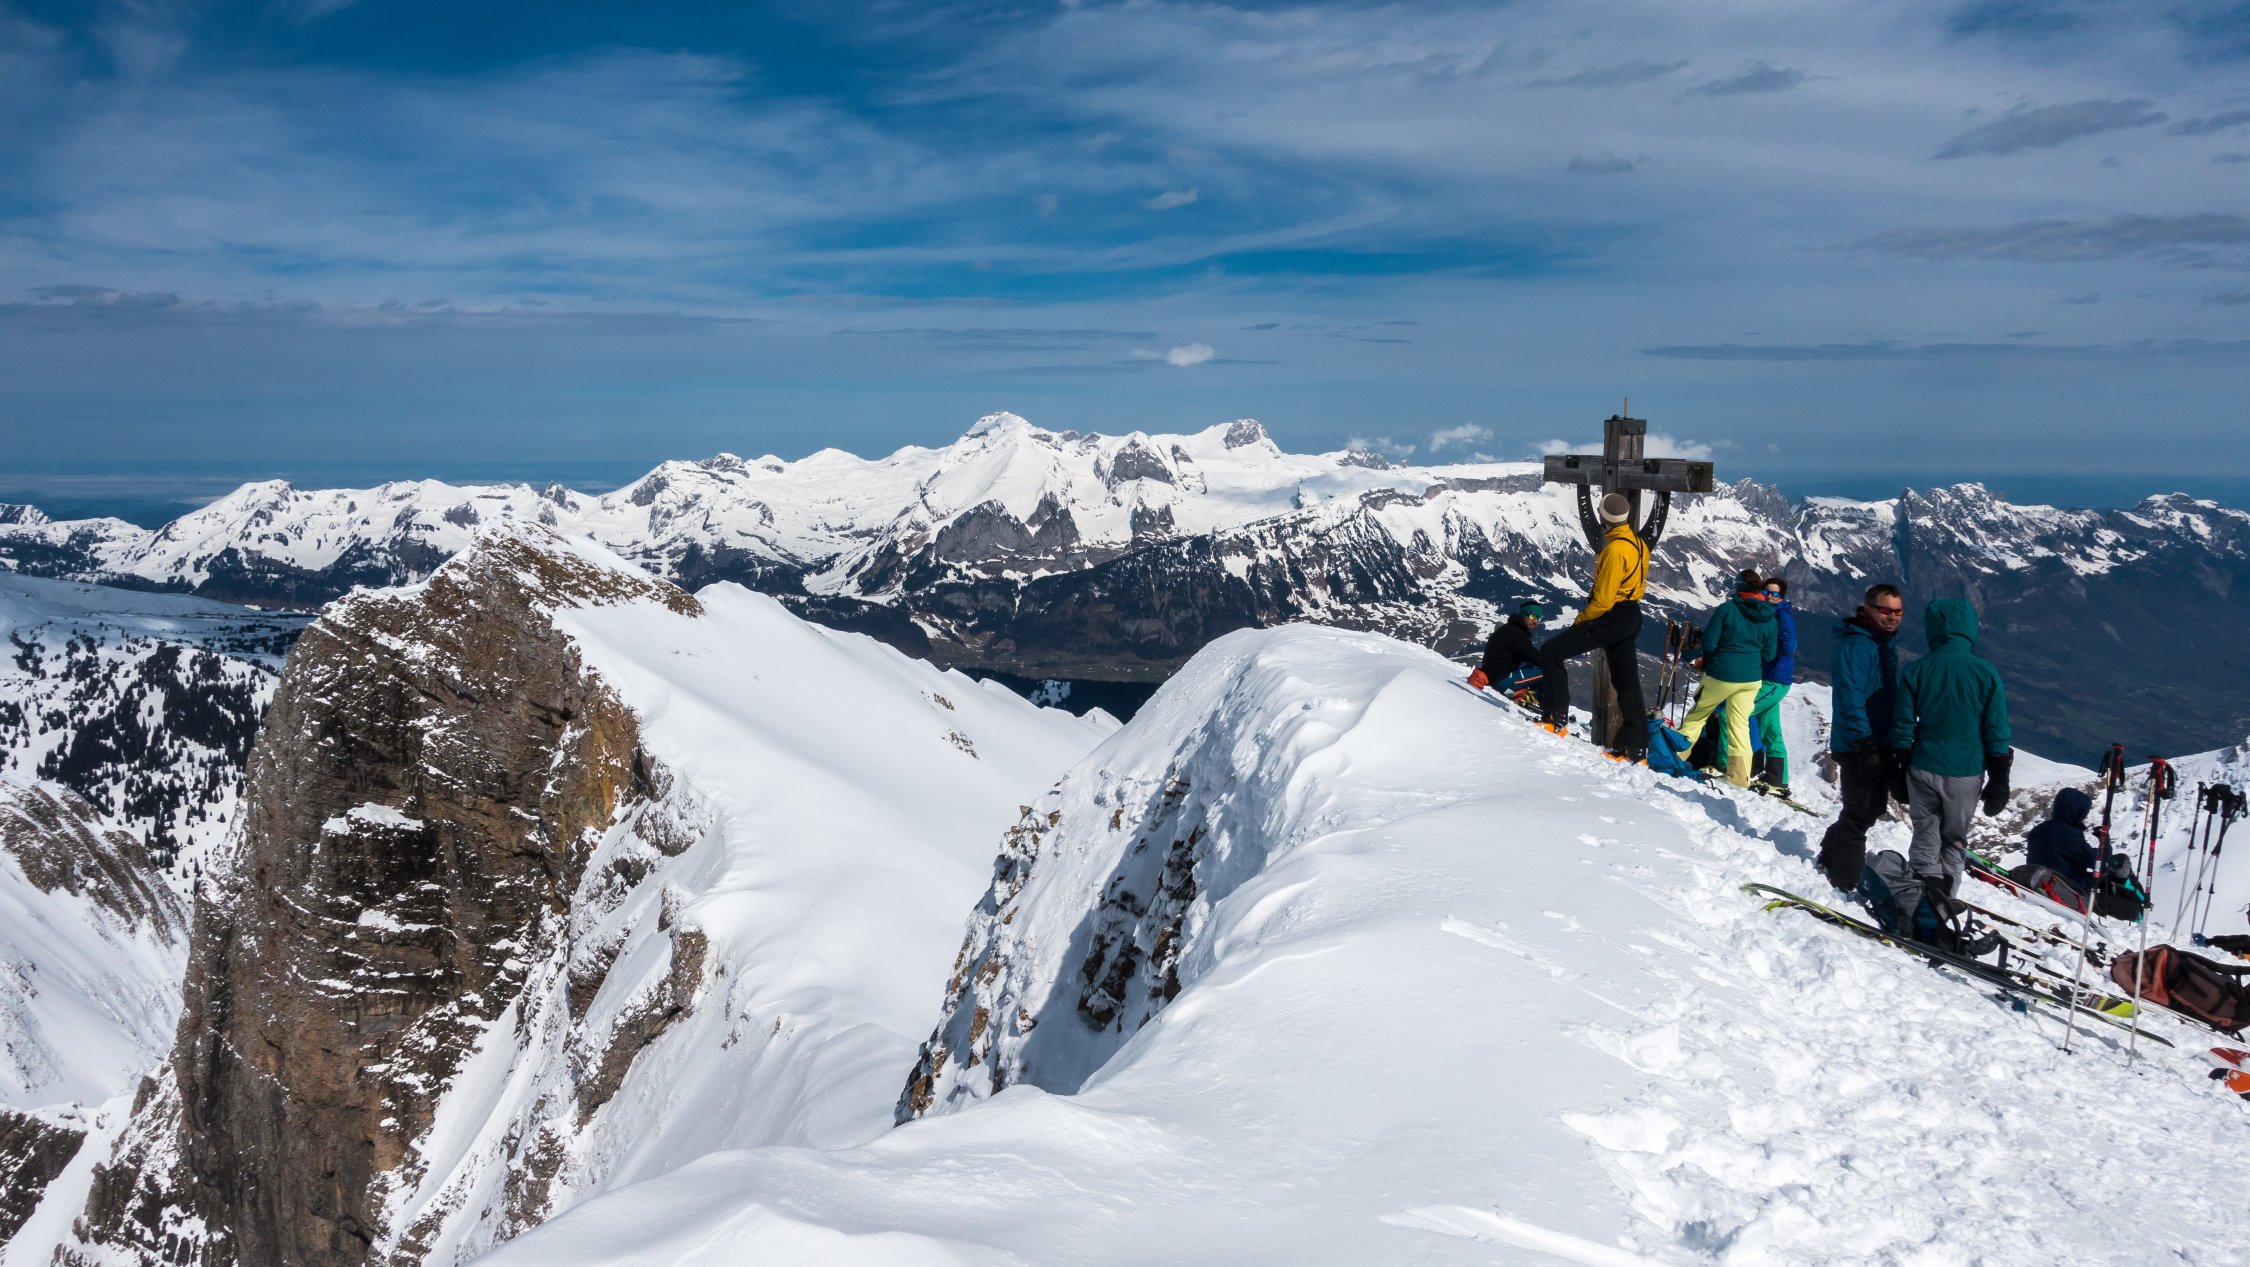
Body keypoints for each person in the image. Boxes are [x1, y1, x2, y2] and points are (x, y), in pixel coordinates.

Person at [1888, 597, 2012, 897]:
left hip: (1923, 766)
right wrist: (2000, 777)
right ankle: (1946, 899)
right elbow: (1996, 728)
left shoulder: (1918, 670)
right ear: (1970, 628)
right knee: (1954, 839)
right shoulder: (1985, 672)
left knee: (1925, 833)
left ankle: (1923, 896)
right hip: (1966, 772)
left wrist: (1898, 767)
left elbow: (1903, 723)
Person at [1534, 493, 1649, 761]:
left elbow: (1604, 600)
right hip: (1631, 614)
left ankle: (1554, 719)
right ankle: (1636, 749)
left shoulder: (1614, 550)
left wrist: (1582, 620)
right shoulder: (1639, 544)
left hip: (1611, 617)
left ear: (1602, 517)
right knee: (1627, 682)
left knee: (1551, 651)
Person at [1815, 584, 1904, 890]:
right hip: (1860, 742)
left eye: (1898, 611)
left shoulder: (1882, 643)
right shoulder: (1857, 645)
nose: (1892, 617)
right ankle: (1845, 882)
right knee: (1860, 812)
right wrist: (1863, 742)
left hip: (1877, 739)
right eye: (1885, 610)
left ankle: (1829, 857)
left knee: (1871, 808)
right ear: (1867, 609)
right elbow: (1850, 696)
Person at [1675, 569, 1778, 788]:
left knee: (1697, 716)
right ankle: (1740, 778)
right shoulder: (1770, 616)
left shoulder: (1727, 610)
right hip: (1751, 679)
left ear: (1738, 588)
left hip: (1722, 674)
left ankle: (1674, 760)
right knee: (1739, 724)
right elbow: (1769, 654)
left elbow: (1709, 642)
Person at [1469, 601, 1551, 712]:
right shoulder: (1516, 634)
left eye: (1538, 618)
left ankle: (1527, 698)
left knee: (1528, 665)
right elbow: (1537, 658)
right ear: (1523, 615)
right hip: (1504, 681)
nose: (1535, 621)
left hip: (1496, 679)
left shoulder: (1509, 629)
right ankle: (1548, 710)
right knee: (1549, 670)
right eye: (1532, 616)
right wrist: (1554, 661)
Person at [2025, 787, 2099, 897]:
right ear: (2076, 811)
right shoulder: (2069, 833)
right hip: (2063, 887)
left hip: (2039, 880)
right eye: (2084, 812)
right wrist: (2105, 843)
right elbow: (2095, 861)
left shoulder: (2038, 829)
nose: (2086, 817)